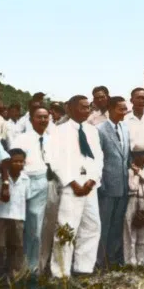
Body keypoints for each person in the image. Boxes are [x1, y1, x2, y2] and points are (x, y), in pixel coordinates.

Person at [48, 95, 104, 277]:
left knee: (92, 226)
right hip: (71, 188)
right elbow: (54, 161)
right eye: (83, 107)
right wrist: (73, 183)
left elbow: (98, 159)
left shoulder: (92, 131)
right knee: (66, 229)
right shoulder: (59, 131)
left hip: (89, 187)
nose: (87, 111)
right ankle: (61, 272)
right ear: (70, 109)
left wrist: (92, 180)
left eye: (88, 107)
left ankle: (84, 268)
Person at [11, 106, 51, 273]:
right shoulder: (22, 139)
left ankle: (32, 270)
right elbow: (12, 161)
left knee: (35, 230)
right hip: (23, 181)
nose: (43, 120)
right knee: (16, 228)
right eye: (39, 117)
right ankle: (13, 270)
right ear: (31, 119)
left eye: (45, 117)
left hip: (42, 182)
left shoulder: (51, 139)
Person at [97, 96, 131, 269]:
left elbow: (127, 156)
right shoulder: (100, 130)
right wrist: (101, 185)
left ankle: (113, 257)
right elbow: (97, 160)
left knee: (117, 224)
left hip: (123, 186)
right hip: (107, 187)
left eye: (125, 109)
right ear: (110, 109)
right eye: (120, 109)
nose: (124, 112)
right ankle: (100, 261)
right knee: (104, 224)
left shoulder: (125, 128)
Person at [0, 148, 27, 278]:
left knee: (16, 246)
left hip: (18, 217)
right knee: (0, 246)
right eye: (15, 161)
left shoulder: (26, 180)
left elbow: (27, 197)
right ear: (8, 163)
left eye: (21, 161)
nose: (18, 164)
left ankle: (13, 275)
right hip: (1, 217)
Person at [125, 143, 144, 266]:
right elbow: (132, 187)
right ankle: (130, 261)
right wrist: (136, 175)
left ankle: (142, 260)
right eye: (140, 156)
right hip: (133, 200)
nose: (143, 158)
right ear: (135, 157)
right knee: (130, 230)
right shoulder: (130, 171)